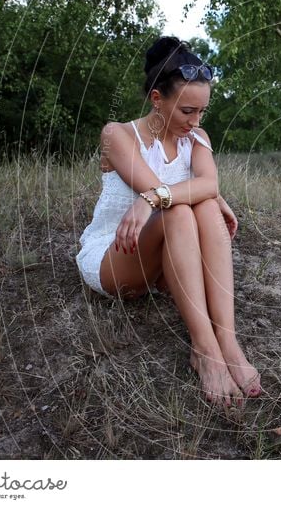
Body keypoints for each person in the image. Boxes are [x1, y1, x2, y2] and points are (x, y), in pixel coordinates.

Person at [75, 36, 261, 408]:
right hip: (117, 255)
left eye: (201, 113)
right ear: (157, 99)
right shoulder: (118, 135)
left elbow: (208, 184)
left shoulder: (197, 138)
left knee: (203, 205)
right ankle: (205, 351)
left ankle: (227, 341)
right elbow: (161, 190)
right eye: (187, 111)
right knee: (179, 206)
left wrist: (210, 196)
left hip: (165, 256)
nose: (195, 123)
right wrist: (159, 197)